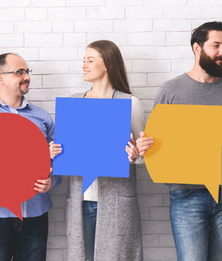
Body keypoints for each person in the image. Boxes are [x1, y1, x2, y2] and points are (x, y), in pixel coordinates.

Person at [135, 21, 222, 261]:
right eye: (216, 45)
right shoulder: (171, 90)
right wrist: (144, 148)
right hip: (186, 195)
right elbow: (153, 144)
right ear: (197, 48)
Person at [48, 40, 144, 261]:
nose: (84, 65)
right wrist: (54, 152)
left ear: (108, 64)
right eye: (84, 61)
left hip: (116, 203)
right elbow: (64, 153)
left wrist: (135, 156)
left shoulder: (130, 103)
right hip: (80, 202)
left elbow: (143, 156)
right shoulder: (73, 102)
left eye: (90, 60)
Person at [0, 53, 60, 261]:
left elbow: (59, 161)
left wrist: (52, 181)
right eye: (20, 72)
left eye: (27, 72)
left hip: (35, 215)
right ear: (0, 78)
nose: (26, 77)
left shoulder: (42, 117)